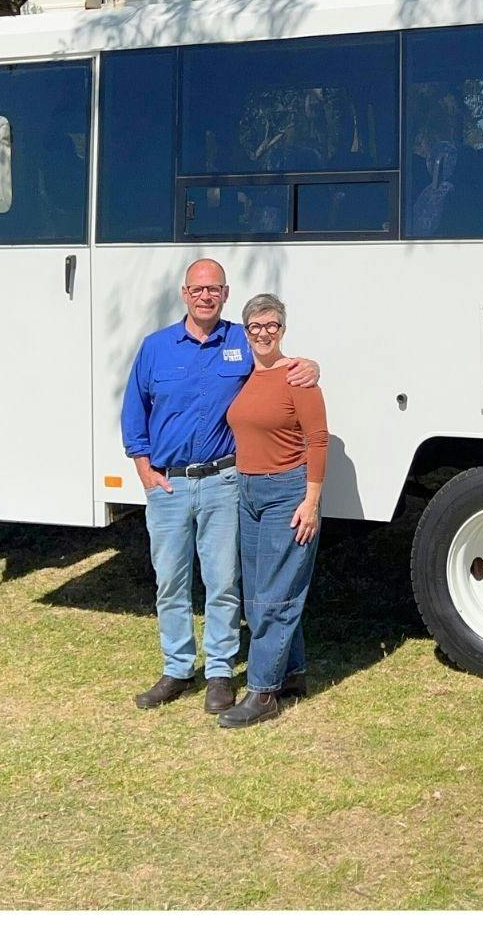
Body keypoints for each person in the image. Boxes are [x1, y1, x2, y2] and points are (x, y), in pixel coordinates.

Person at [122, 259, 318, 713]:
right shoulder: (155, 348)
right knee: (170, 581)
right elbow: (135, 410)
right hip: (168, 486)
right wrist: (144, 469)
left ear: (226, 294)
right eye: (198, 289)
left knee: (222, 581)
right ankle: (176, 669)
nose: (205, 296)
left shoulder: (240, 341)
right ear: (184, 293)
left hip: (223, 482)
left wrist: (310, 365)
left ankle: (219, 673)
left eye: (214, 290)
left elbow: (277, 362)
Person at [217, 293, 328, 728]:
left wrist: (311, 502)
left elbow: (318, 440)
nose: (263, 333)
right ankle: (293, 674)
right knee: (260, 589)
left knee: (271, 597)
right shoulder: (245, 374)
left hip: (287, 492)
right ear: (245, 333)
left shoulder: (299, 378)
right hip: (247, 491)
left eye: (272, 326)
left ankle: (263, 692)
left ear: (283, 329)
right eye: (255, 327)